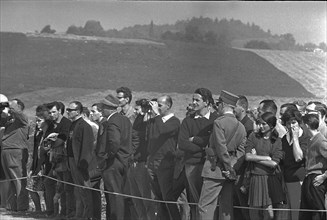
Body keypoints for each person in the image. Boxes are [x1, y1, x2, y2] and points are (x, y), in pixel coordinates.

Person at [198, 90, 246, 220]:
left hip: (215, 169)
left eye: (218, 103)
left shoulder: (219, 123)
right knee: (226, 208)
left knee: (205, 206)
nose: (217, 106)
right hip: (230, 173)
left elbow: (221, 147)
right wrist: (232, 169)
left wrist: (227, 167)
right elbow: (241, 152)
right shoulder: (241, 127)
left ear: (223, 105)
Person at [177, 88, 218, 220]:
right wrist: (203, 147)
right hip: (192, 165)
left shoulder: (215, 120)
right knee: (194, 201)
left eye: (197, 100)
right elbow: (182, 143)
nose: (194, 102)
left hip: (211, 166)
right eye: (193, 99)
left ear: (206, 102)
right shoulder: (187, 121)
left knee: (208, 203)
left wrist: (194, 139)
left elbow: (213, 141)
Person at [95, 94, 132, 220]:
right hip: (124, 161)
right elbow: (133, 138)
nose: (101, 110)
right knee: (120, 194)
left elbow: (114, 143)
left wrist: (107, 157)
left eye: (103, 107)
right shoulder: (125, 120)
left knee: (114, 195)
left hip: (113, 163)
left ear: (109, 108)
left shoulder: (112, 121)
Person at [245, 112, 285, 220]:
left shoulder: (277, 141)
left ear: (271, 125)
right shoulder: (253, 136)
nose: (261, 126)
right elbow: (248, 156)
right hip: (255, 178)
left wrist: (256, 158)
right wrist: (265, 158)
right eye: (259, 123)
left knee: (269, 214)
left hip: (270, 179)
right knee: (254, 213)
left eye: (264, 124)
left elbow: (274, 163)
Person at [146, 95, 180, 220]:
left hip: (165, 162)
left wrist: (156, 115)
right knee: (158, 198)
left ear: (168, 106)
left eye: (160, 105)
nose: (157, 108)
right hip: (152, 161)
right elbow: (149, 137)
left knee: (167, 197)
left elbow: (162, 131)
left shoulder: (174, 122)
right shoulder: (156, 120)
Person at [127, 98, 156, 220]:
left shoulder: (154, 122)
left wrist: (153, 115)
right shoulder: (138, 119)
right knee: (136, 199)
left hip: (143, 163)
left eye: (138, 108)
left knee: (146, 199)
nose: (135, 110)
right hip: (134, 161)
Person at [280, 108, 309, 220]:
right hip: (287, 179)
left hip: (299, 180)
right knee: (290, 214)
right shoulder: (284, 139)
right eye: (288, 123)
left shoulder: (305, 137)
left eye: (293, 122)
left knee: (298, 213)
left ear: (299, 122)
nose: (291, 126)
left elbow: (298, 157)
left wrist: (296, 138)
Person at [66, 101, 94, 219]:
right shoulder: (72, 124)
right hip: (71, 160)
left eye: (70, 110)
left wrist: (83, 164)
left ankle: (87, 216)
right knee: (78, 189)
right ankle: (79, 214)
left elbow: (87, 147)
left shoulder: (84, 126)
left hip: (80, 163)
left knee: (84, 189)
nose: (67, 112)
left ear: (77, 112)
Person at [1, 98, 30, 212]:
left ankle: (22, 207)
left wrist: (8, 105)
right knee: (11, 180)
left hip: (16, 150)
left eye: (12, 105)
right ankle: (13, 207)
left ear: (19, 107)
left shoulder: (22, 118)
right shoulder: (11, 119)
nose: (9, 106)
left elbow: (18, 114)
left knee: (18, 180)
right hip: (7, 150)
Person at [47, 101, 74, 218]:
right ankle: (53, 212)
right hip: (55, 159)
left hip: (64, 159)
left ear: (59, 111)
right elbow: (46, 142)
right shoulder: (51, 124)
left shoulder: (66, 123)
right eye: (50, 112)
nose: (51, 115)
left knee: (65, 187)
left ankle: (66, 213)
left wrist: (52, 142)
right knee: (53, 185)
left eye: (53, 112)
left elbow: (61, 140)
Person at [299, 113, 327, 220]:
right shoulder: (311, 140)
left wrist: (324, 176)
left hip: (317, 179)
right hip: (309, 178)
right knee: (306, 213)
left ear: (306, 126)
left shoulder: (320, 141)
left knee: (317, 212)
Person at [29, 104, 54, 214]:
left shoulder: (49, 135)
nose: (37, 123)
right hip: (37, 164)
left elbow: (46, 152)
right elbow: (36, 152)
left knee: (46, 190)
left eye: (39, 121)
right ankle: (39, 209)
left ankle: (49, 210)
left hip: (46, 165)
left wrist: (41, 167)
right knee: (31, 188)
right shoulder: (38, 134)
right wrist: (33, 167)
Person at [234, 95, 254, 220]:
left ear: (242, 108)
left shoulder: (248, 126)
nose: (232, 109)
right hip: (237, 170)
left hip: (242, 172)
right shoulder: (238, 123)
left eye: (234, 106)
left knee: (243, 207)